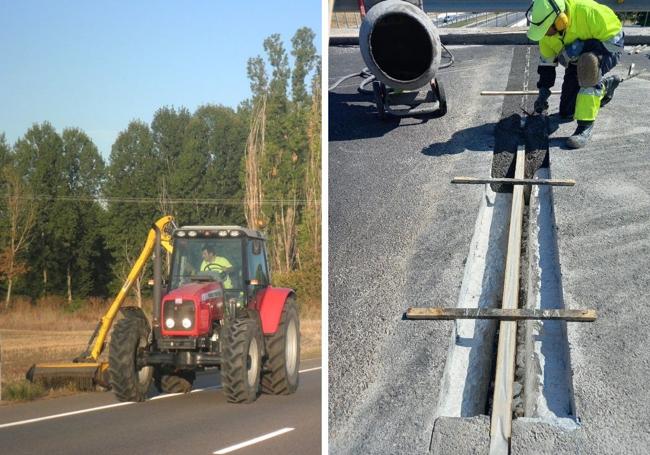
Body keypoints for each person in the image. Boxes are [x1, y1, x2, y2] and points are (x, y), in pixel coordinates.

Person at [527, 0, 624, 149]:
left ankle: (585, 126)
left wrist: (583, 47)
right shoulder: (546, 35)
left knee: (588, 63)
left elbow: (614, 43)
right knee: (566, 112)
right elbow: (547, 66)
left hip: (608, 49)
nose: (545, 34)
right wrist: (543, 93)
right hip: (577, 59)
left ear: (561, 20)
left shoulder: (590, 13)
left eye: (546, 30)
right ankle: (605, 86)